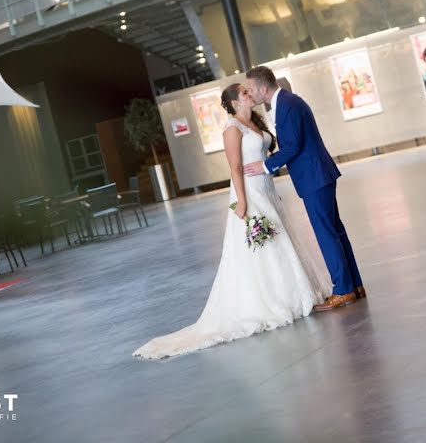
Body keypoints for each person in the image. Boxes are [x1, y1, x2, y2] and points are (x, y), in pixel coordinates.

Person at [132, 83, 331, 360]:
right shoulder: (232, 129)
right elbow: (235, 167)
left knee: (280, 239)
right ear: (235, 103)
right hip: (249, 192)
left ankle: (294, 294)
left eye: (250, 92)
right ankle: (271, 301)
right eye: (246, 94)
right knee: (263, 246)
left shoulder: (254, 123)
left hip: (267, 189)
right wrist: (242, 202)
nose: (251, 95)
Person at [244, 66, 365, 311]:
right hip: (319, 174)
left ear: (263, 88)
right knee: (335, 230)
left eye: (251, 89)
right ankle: (355, 285)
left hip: (314, 177)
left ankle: (343, 290)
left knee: (326, 233)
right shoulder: (288, 101)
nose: (250, 94)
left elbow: (292, 147)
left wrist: (266, 165)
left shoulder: (286, 105)